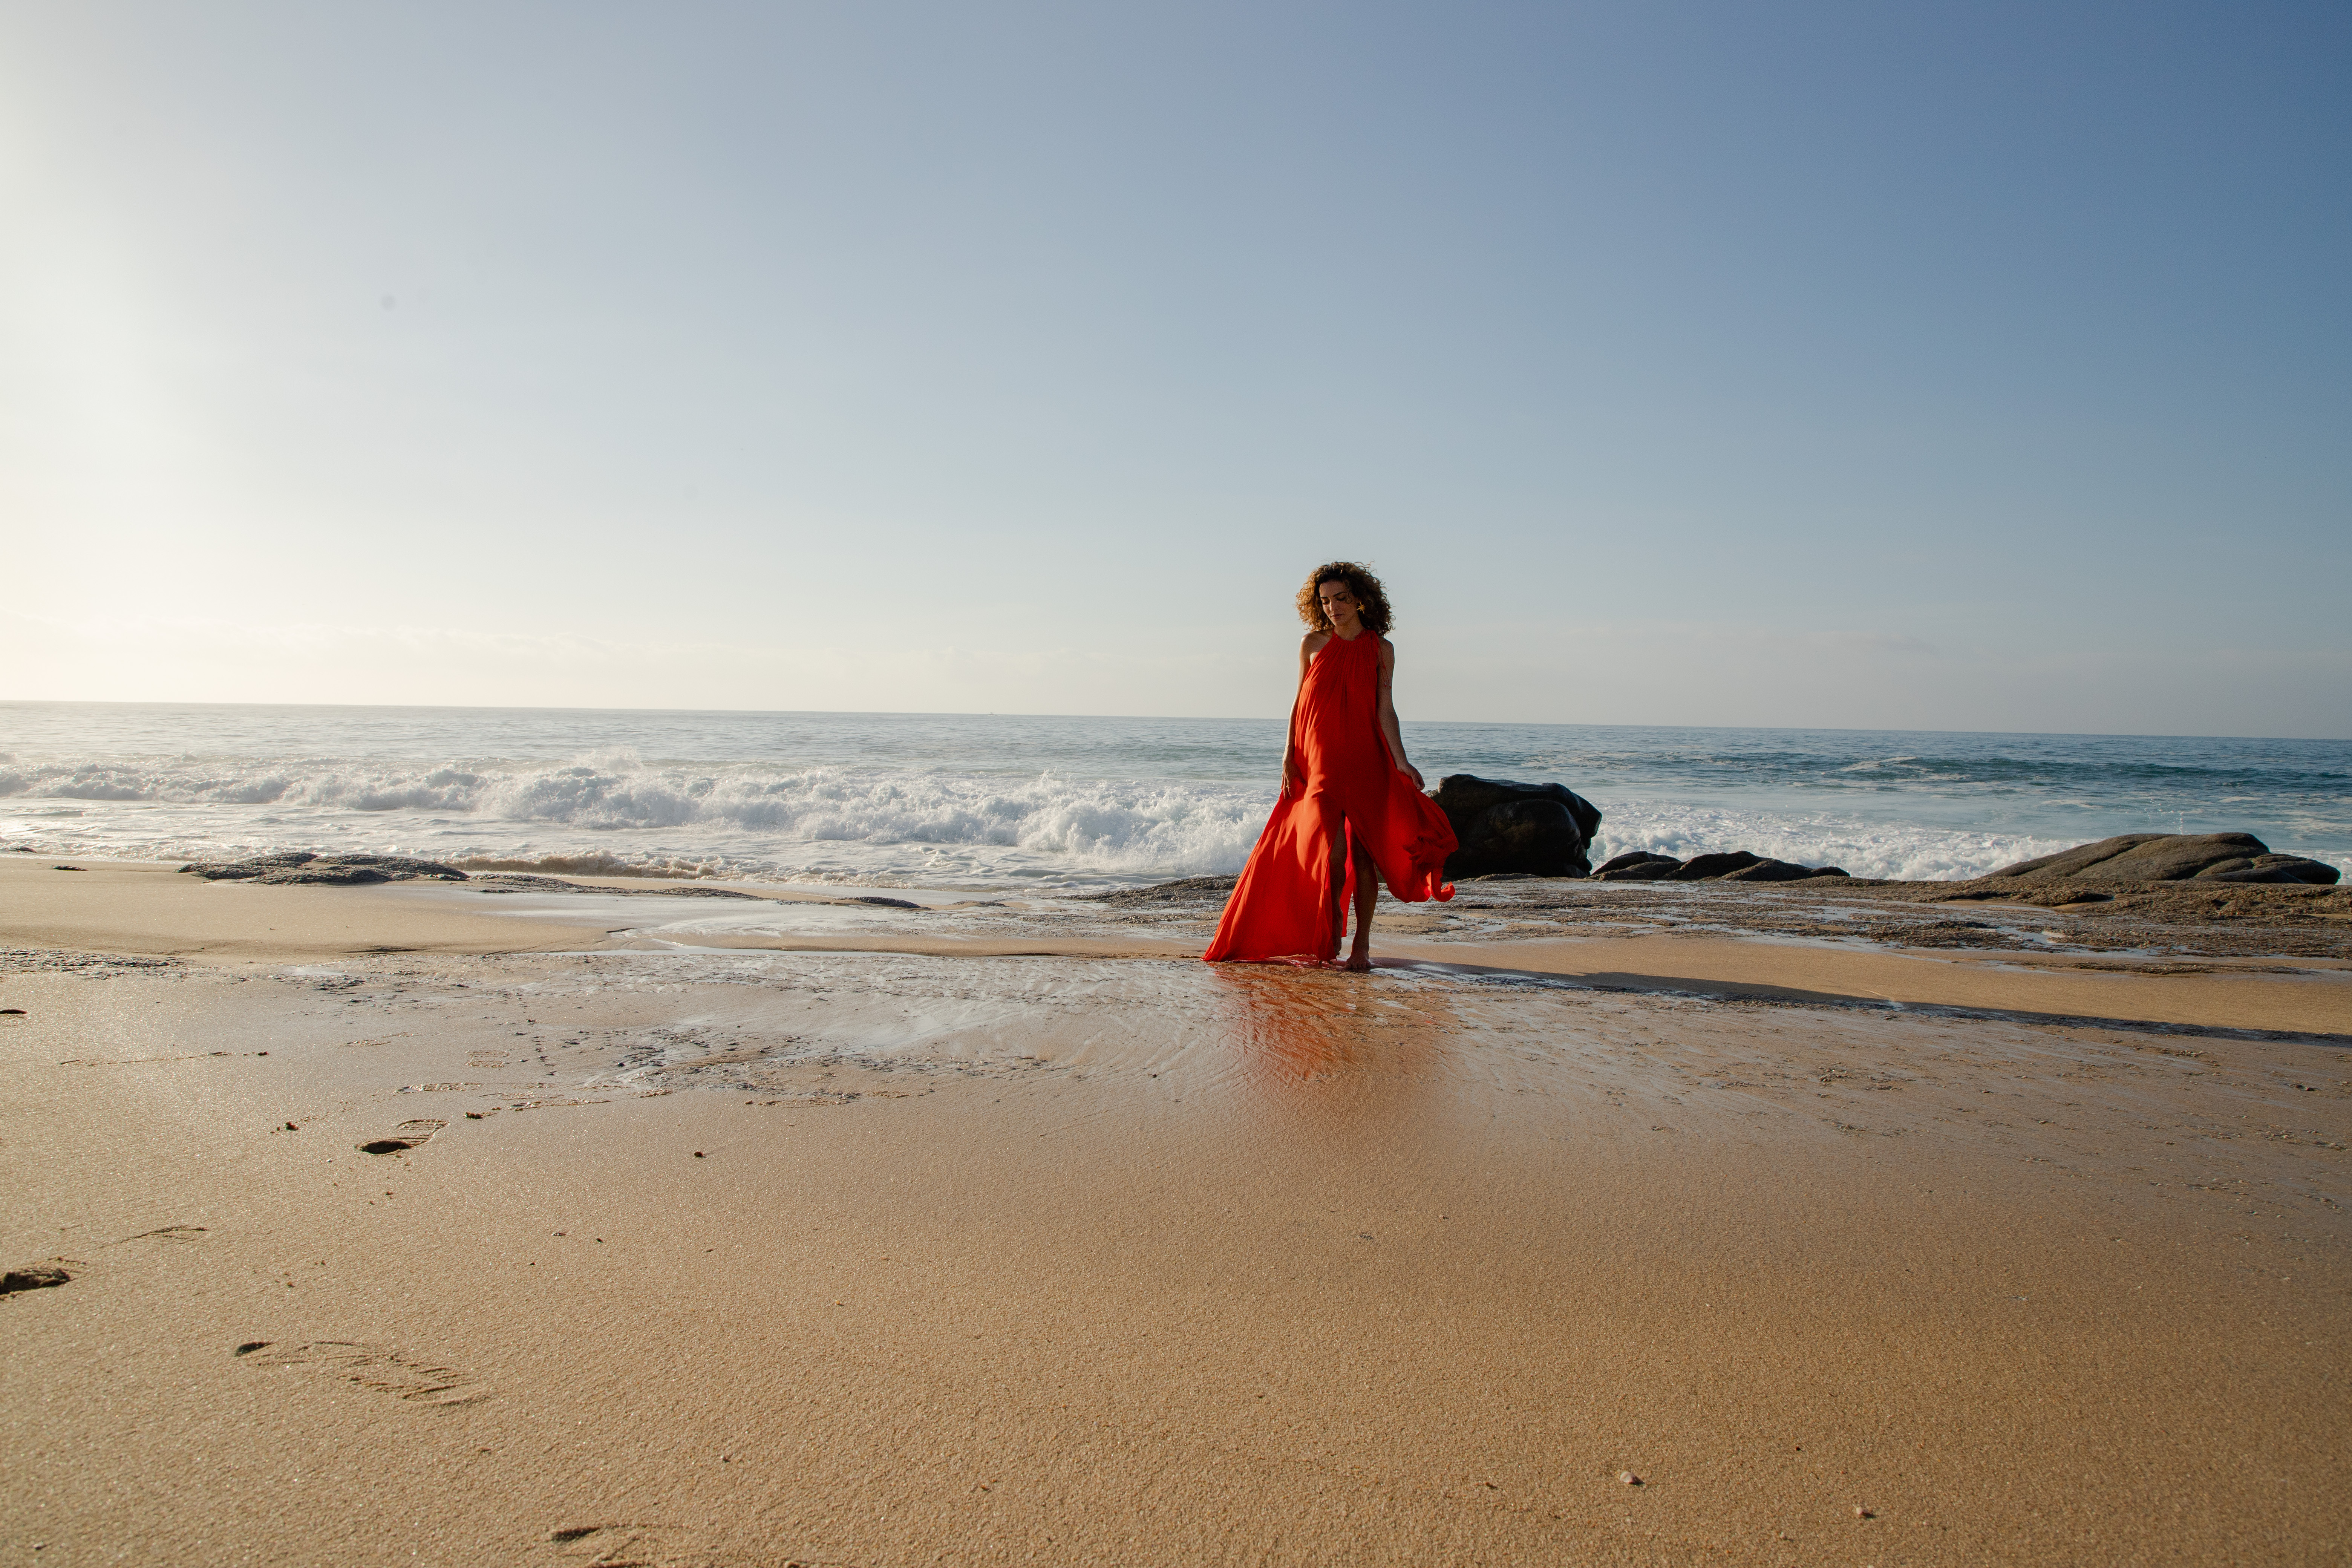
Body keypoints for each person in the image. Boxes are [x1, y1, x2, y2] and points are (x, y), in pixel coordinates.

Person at [1204, 562, 1456, 969]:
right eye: (1325, 601)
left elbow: (1385, 709)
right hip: (1320, 762)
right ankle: (1333, 918)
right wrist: (1289, 755)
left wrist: (1402, 761)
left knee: (1365, 858)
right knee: (1331, 855)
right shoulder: (1312, 644)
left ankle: (1362, 944)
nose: (1333, 608)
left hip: (1366, 761)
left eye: (1340, 598)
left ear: (1360, 598)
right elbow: (1298, 703)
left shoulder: (1382, 649)